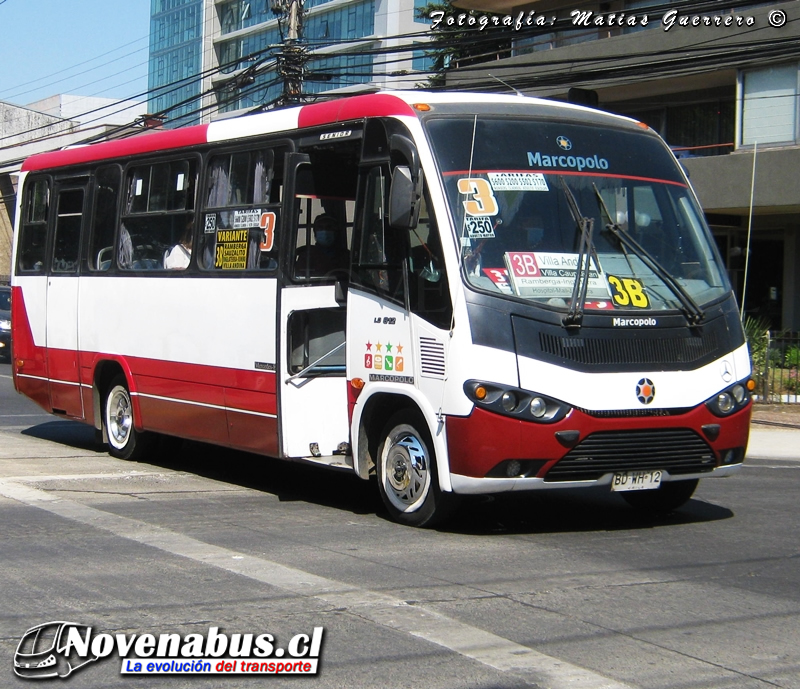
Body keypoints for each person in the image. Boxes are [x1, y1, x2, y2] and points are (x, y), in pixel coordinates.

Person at [295, 213, 350, 279]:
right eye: (320, 228)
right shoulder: (306, 256)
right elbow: (300, 281)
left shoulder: (346, 256)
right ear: (315, 233)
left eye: (329, 228)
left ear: (336, 232)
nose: (325, 231)